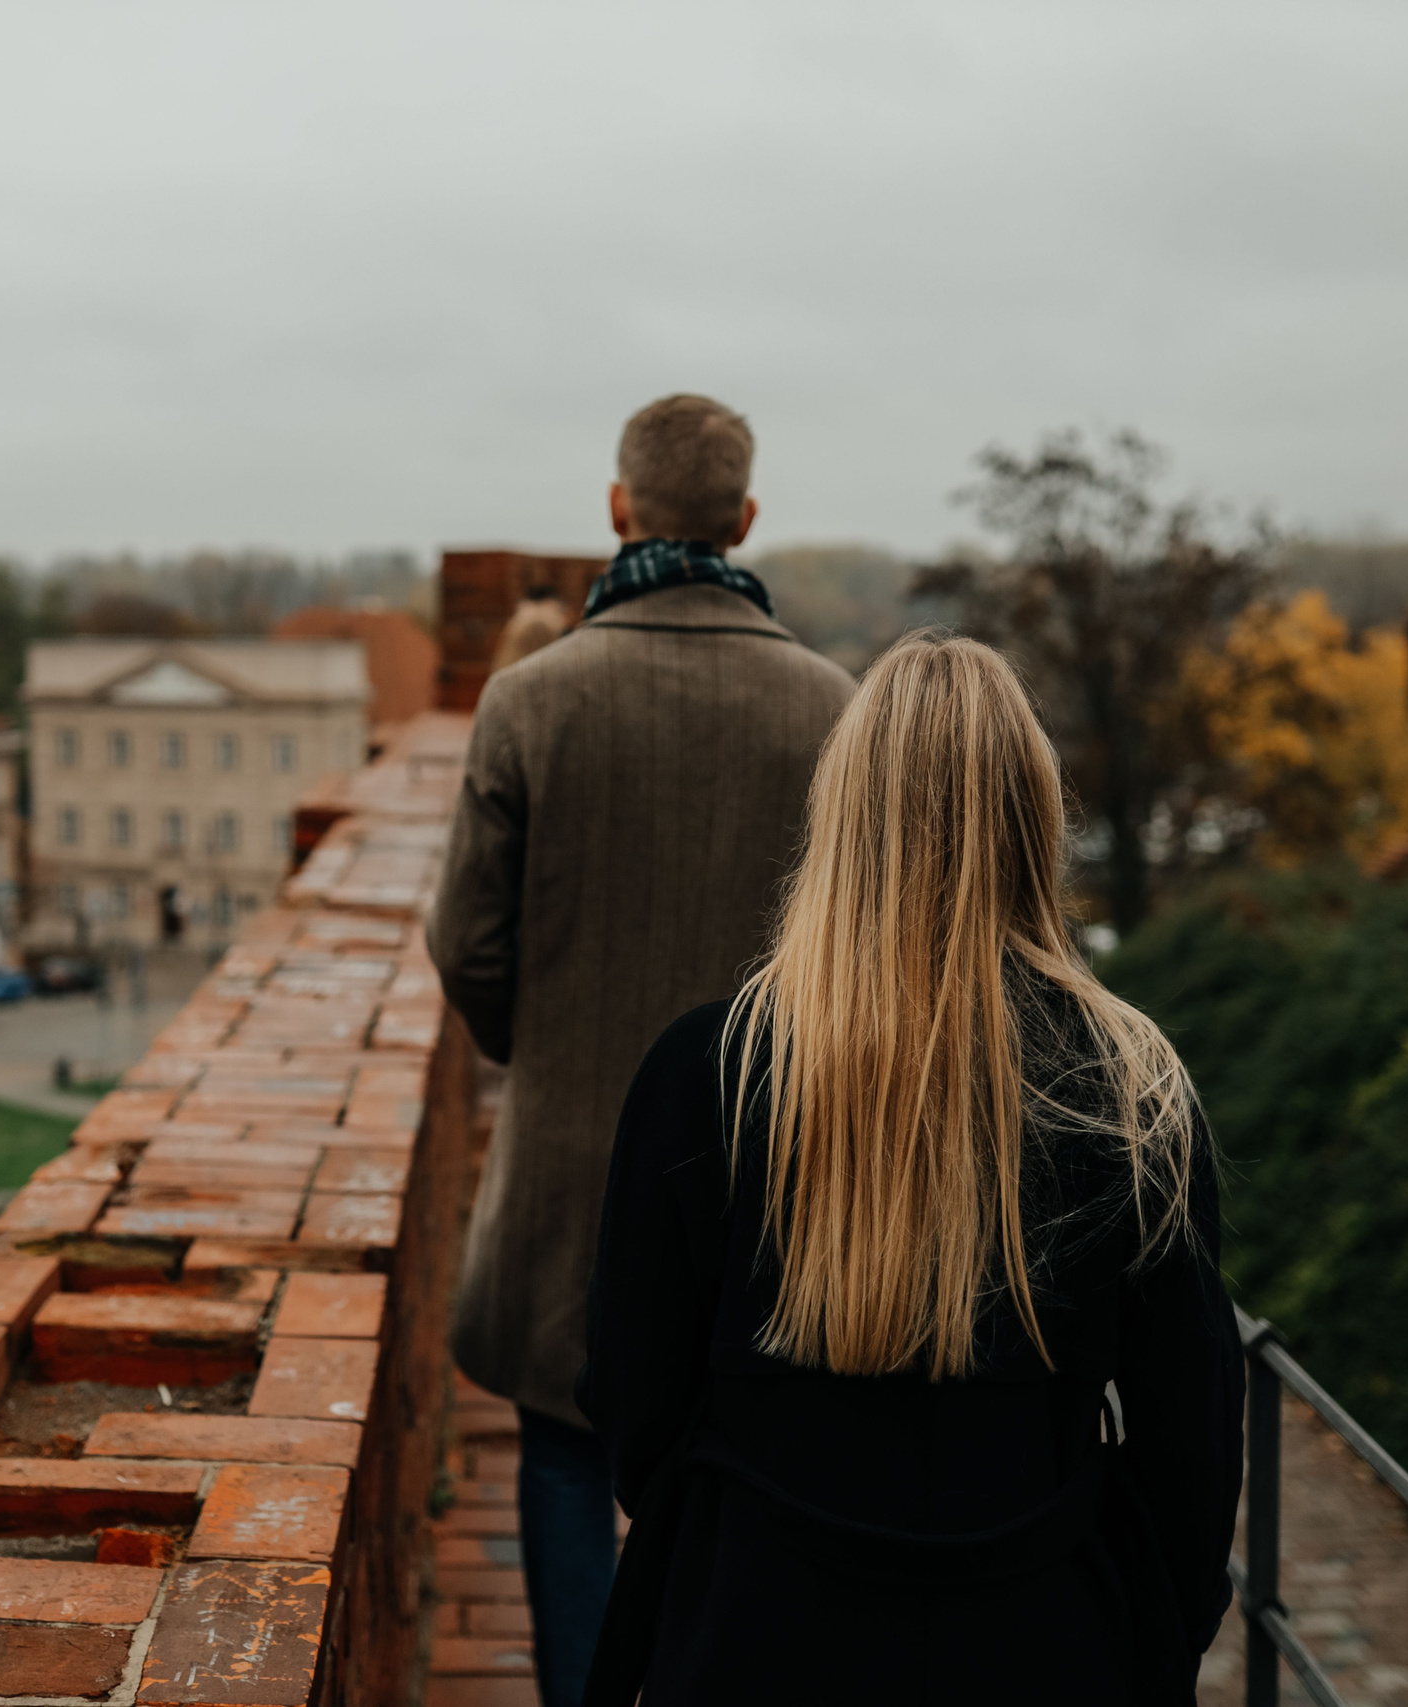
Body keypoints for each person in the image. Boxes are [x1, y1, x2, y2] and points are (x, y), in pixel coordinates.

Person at [578, 633, 1245, 1706]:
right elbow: (1192, 1451)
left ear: (840, 815)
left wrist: (745, 1534)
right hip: (1041, 1642)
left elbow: (631, 1404)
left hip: (756, 1638)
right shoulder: (1130, 1090)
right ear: (1037, 824)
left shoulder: (705, 1073)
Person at [428, 394, 856, 1706]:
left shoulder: (528, 702)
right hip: (767, 1180)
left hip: (571, 1166)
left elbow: (467, 945)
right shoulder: (834, 709)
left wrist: (543, 1051)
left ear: (618, 510)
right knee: (741, 1468)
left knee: (561, 1452)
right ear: (745, 519)